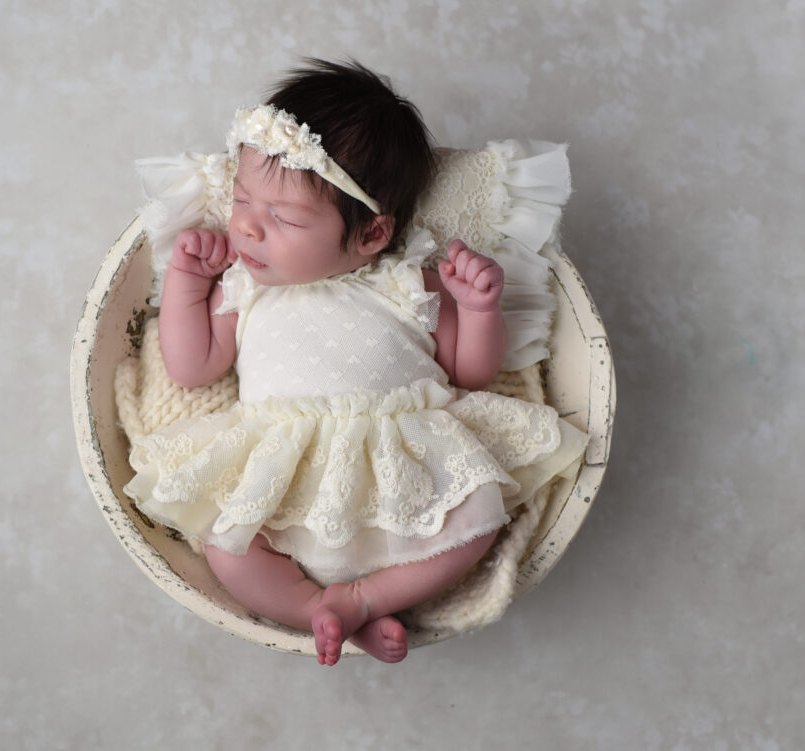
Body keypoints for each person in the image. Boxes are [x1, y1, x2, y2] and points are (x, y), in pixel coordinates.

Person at [124, 60, 586, 665]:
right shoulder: (244, 286)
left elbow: (469, 374)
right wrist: (187, 281)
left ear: (371, 234)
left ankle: (365, 600)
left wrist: (478, 310)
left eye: (284, 218)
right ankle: (314, 609)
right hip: (283, 467)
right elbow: (192, 366)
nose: (247, 228)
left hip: (401, 460)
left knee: (477, 523)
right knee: (227, 546)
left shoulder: (409, 283)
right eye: (242, 199)